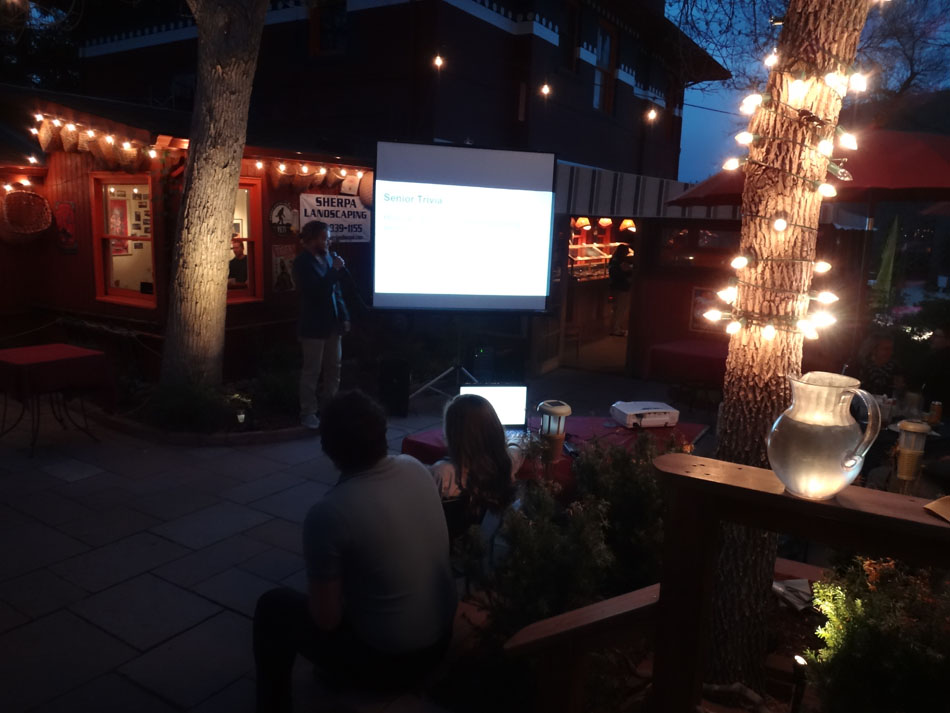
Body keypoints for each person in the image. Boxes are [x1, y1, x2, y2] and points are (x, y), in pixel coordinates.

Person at [253, 391, 457, 713]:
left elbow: (326, 619)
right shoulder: (416, 468)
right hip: (441, 642)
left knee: (273, 607)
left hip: (390, 665)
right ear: (383, 433)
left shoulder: (329, 513)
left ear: (328, 449)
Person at [430, 393, 522, 563]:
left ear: (453, 434)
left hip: (446, 556)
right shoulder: (506, 463)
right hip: (485, 553)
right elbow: (517, 449)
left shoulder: (442, 473)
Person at [294, 221, 350, 429]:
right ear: (312, 240)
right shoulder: (302, 263)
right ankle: (308, 412)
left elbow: (336, 291)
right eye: (324, 238)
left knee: (334, 368)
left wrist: (344, 316)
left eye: (328, 238)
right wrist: (334, 271)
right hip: (314, 326)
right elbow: (315, 292)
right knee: (312, 371)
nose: (328, 242)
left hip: (333, 324)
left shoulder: (327, 258)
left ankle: (330, 408)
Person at [608, 243, 634, 336]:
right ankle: (616, 329)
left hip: (616, 287)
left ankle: (615, 328)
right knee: (620, 309)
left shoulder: (614, 260)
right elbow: (624, 273)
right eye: (626, 251)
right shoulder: (620, 262)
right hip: (622, 287)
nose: (627, 253)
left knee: (616, 309)